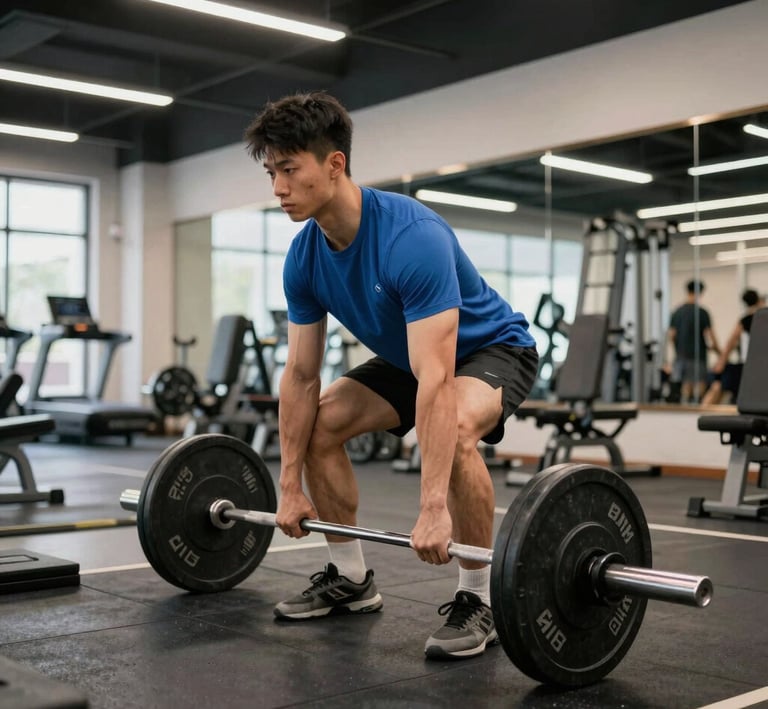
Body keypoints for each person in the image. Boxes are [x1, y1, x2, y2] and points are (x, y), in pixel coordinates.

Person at [243, 92, 538, 659]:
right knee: (321, 424)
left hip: (491, 348)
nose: (277, 188)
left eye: (289, 170)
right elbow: (301, 376)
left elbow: (437, 379)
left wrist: (433, 507)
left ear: (335, 164)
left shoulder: (411, 237)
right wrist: (289, 486)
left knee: (456, 431)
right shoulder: (304, 257)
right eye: (271, 173)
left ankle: (480, 597)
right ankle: (350, 578)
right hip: (412, 354)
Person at [702, 288, 766, 405]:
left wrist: (721, 362)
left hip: (749, 364)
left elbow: (730, 343)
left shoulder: (745, 320)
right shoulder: (760, 318)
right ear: (758, 300)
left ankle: (704, 407)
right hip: (759, 364)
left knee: (720, 385)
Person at [667, 279, 720, 404]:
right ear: (700, 293)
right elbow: (711, 336)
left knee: (685, 388)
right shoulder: (702, 312)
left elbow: (672, 336)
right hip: (698, 356)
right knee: (699, 388)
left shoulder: (677, 312)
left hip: (681, 356)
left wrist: (678, 349)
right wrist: (719, 352)